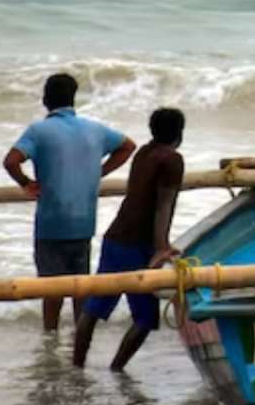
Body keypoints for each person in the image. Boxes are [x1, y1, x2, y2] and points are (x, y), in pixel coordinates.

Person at [3, 72, 136, 331]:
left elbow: (10, 161)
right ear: (73, 99)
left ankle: (50, 339)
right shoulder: (95, 129)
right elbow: (128, 146)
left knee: (51, 290)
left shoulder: (38, 130)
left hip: (52, 223)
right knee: (80, 287)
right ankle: (79, 339)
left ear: (45, 100)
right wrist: (100, 171)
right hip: (84, 222)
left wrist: (26, 183)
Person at [74, 108, 186, 371]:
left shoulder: (144, 153)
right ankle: (116, 369)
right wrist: (161, 247)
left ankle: (76, 367)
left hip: (115, 238)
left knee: (94, 307)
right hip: (137, 245)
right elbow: (164, 204)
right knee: (146, 317)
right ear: (179, 133)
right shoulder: (172, 159)